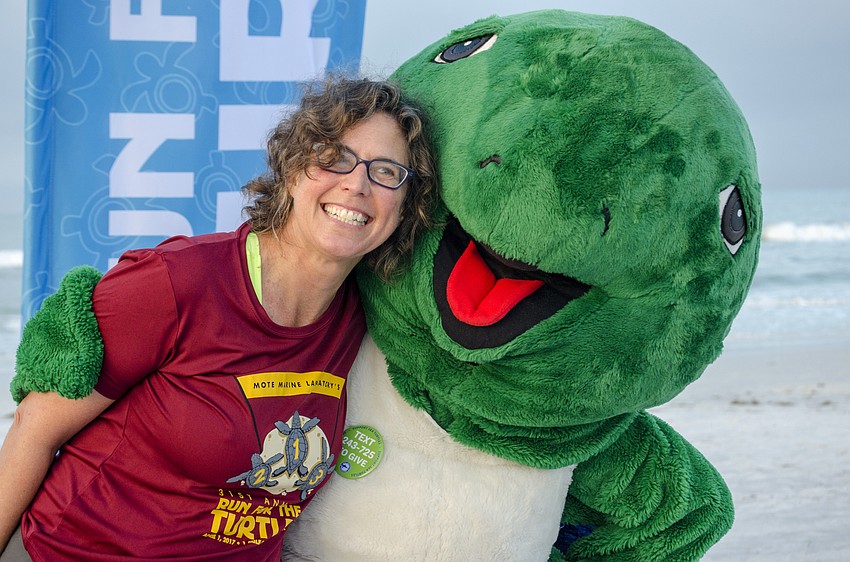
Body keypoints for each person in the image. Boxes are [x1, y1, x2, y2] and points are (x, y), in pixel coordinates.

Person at [0, 75, 436, 561]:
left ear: (404, 208)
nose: (357, 184)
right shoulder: (175, 283)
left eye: (386, 172)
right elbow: (33, 430)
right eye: (334, 156)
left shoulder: (366, 319)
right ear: (292, 170)